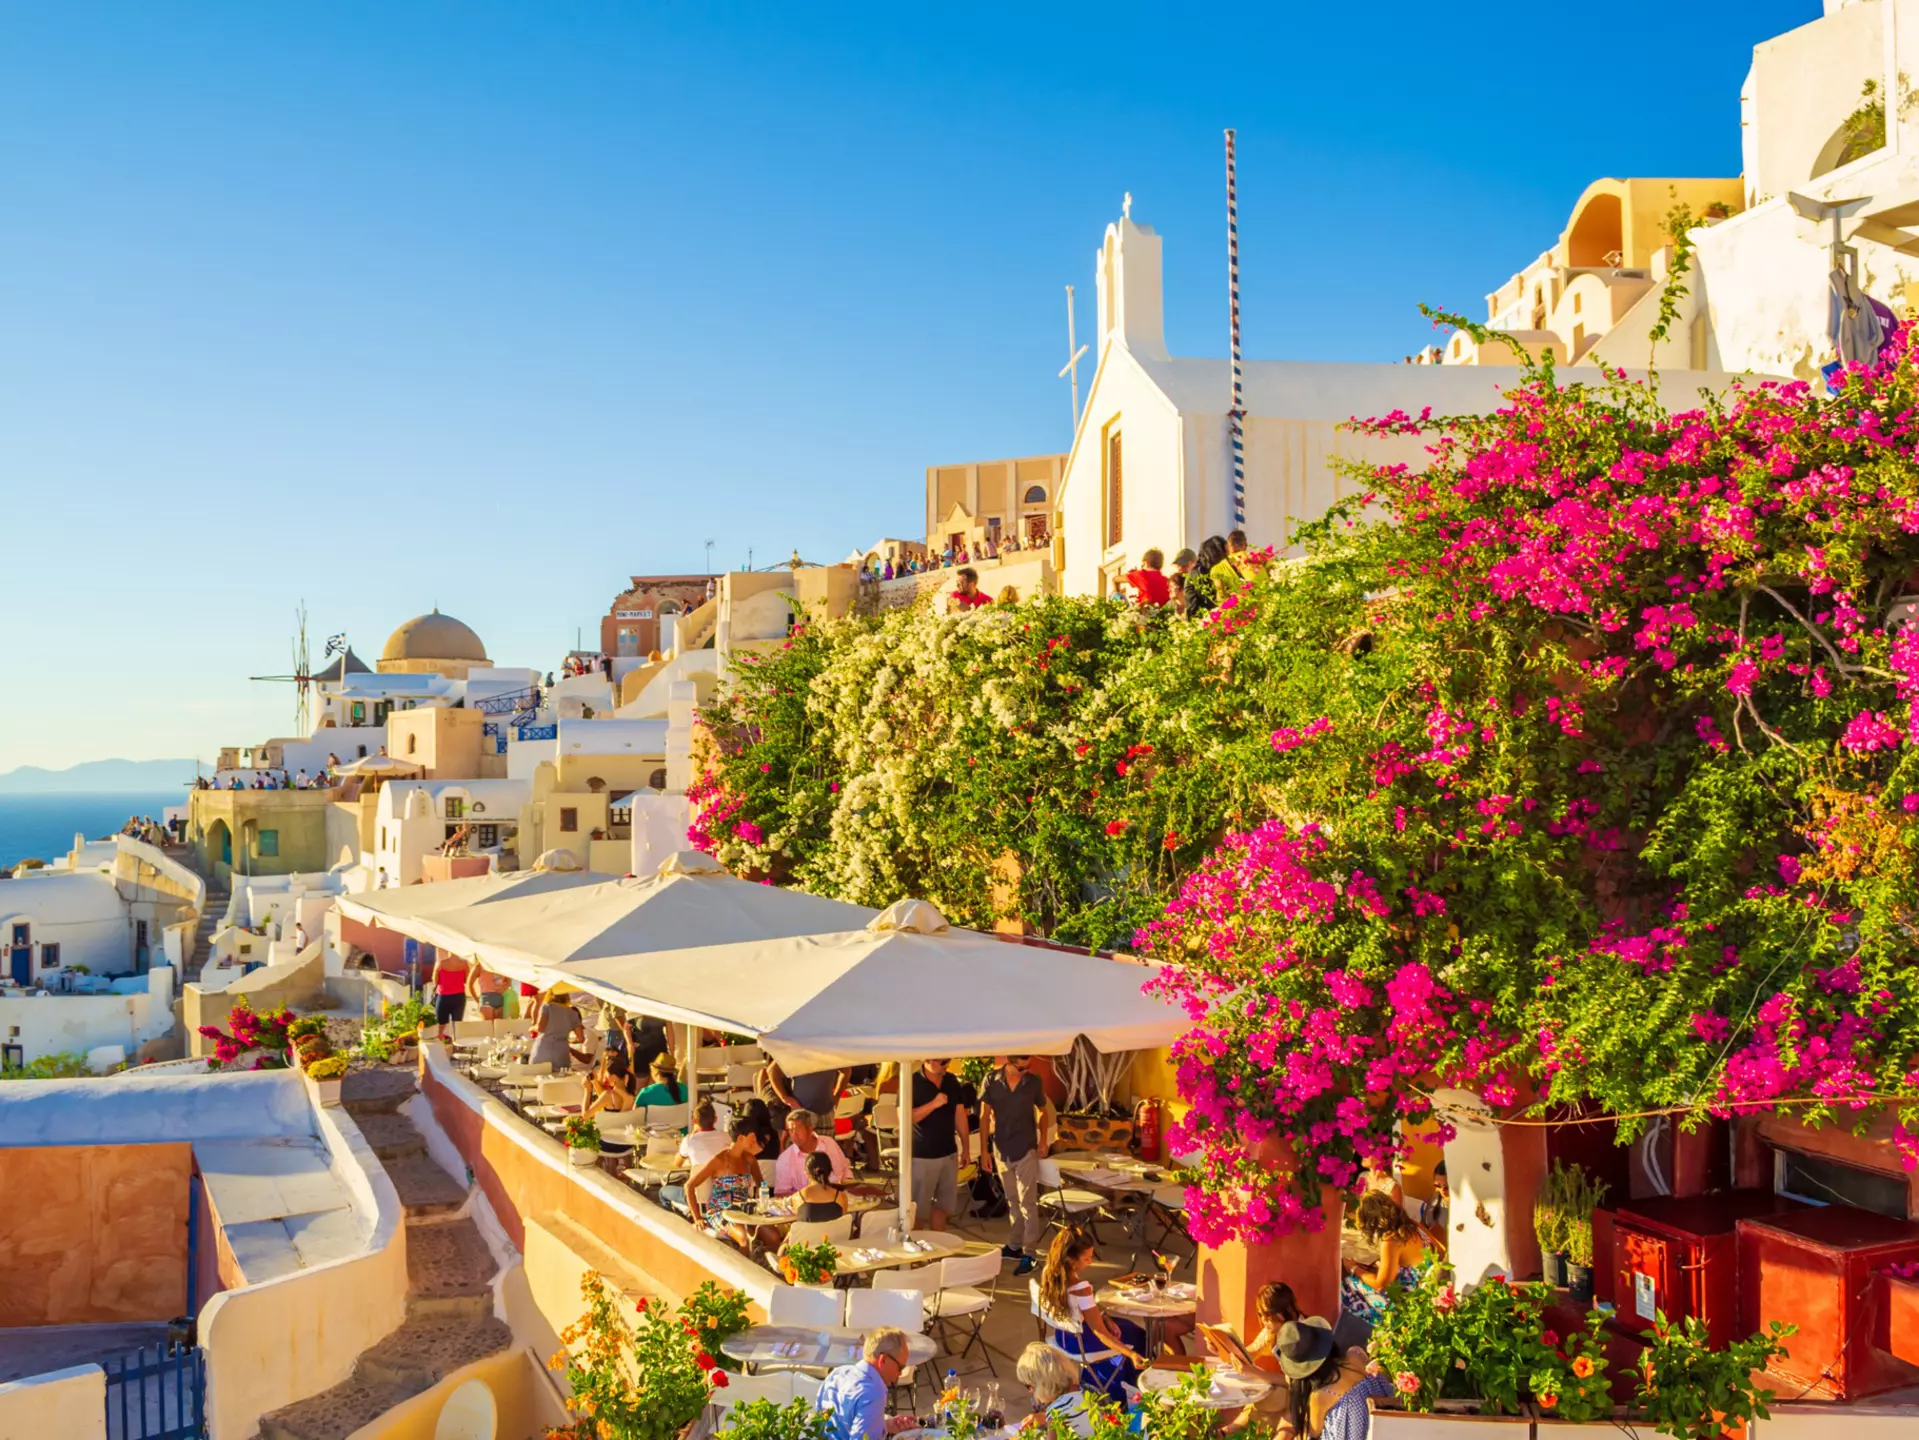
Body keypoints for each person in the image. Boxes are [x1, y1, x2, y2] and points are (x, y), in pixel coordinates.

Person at [1035, 1228, 1147, 1400]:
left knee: (1126, 1325)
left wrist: (1105, 1317)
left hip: (1063, 1335)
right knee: (1139, 1335)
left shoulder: (1050, 1273)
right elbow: (1100, 1332)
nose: (1091, 1262)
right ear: (1072, 1260)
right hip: (1080, 1343)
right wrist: (1131, 1354)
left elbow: (1083, 1310)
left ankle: (1111, 1379)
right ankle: (1131, 1390)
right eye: (1087, 1258)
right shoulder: (1081, 1288)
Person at [980, 1054, 1051, 1274]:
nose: (1025, 1071)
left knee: (1028, 1203)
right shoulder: (991, 1080)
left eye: (1027, 1067)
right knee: (1012, 1200)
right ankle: (1014, 1245)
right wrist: (984, 1151)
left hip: (1026, 1149)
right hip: (1001, 1149)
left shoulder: (1034, 1082)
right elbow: (984, 1116)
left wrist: (1043, 1140)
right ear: (1008, 1064)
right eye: (1020, 1068)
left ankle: (1030, 1253)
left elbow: (1043, 1111)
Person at [814, 1327, 916, 1440]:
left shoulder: (839, 1372)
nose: (900, 1374)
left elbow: (827, 1423)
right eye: (900, 1367)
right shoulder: (873, 1393)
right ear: (883, 1360)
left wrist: (885, 1424)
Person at [1342, 1191, 1430, 1321]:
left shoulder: (1391, 1240)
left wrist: (1354, 1269)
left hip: (1407, 1300)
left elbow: (1381, 1285)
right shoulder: (1413, 1226)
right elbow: (1436, 1248)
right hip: (1426, 1286)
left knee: (1347, 1285)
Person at [1248, 1281, 1370, 1372]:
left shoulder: (1302, 1336)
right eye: (1260, 1314)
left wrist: (1255, 1373)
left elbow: (1291, 1384)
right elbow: (1253, 1349)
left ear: (1282, 1312)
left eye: (1268, 1314)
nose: (1263, 1319)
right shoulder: (1272, 1331)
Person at [910, 1057, 969, 1230]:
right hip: (922, 1156)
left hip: (949, 1153)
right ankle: (916, 1252)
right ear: (928, 1060)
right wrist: (934, 1104)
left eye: (948, 1061)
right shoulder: (912, 1081)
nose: (947, 1065)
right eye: (943, 1062)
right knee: (917, 1210)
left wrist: (965, 1148)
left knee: (943, 1207)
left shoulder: (951, 1080)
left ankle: (939, 1249)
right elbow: (905, 1118)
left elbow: (959, 1114)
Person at [686, 1117, 763, 1238]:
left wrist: (763, 1202)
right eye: (752, 1136)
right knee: (744, 1236)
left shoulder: (749, 1159)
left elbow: (761, 1185)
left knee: (772, 1235)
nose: (755, 1140)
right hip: (720, 1210)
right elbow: (689, 1185)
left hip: (744, 1208)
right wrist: (697, 1218)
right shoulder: (719, 1160)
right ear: (740, 1138)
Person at [1013, 1342, 1096, 1438]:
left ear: (1042, 1384)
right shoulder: (1088, 1391)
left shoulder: (1056, 1411)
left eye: (1029, 1386)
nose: (1030, 1391)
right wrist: (1045, 1417)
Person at [658, 1101, 729, 1213]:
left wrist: (692, 1134)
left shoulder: (689, 1140)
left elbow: (677, 1163)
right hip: (722, 1196)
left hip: (697, 1198)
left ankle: (683, 1217)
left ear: (694, 1121)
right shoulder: (726, 1137)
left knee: (663, 1192)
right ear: (715, 1119)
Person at [775, 1107, 853, 1194]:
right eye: (790, 1130)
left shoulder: (829, 1143)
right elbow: (781, 1193)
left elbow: (845, 1168)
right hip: (805, 1204)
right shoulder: (785, 1158)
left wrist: (847, 1189)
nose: (794, 1135)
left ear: (810, 1129)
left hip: (839, 1200)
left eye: (797, 1129)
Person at [764, 1061, 846, 1119]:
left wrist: (837, 1095)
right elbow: (772, 1070)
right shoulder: (797, 1047)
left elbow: (846, 1070)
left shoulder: (829, 1049)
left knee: (827, 1143)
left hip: (825, 1112)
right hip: (801, 1113)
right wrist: (784, 1097)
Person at [529, 989, 585, 1070]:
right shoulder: (573, 1013)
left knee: (539, 1077)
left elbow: (540, 1028)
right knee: (559, 1080)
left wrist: (532, 1028)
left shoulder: (547, 1007)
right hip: (562, 1051)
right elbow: (581, 1039)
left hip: (543, 1049)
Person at [793, 1149, 850, 1222]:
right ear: (830, 1171)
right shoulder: (841, 1196)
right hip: (833, 1233)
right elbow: (842, 1220)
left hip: (809, 1233)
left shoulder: (799, 1197)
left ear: (807, 1173)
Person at [428, 951, 470, 1040]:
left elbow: (435, 981)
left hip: (444, 997)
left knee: (441, 1025)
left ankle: (441, 1046)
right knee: (457, 1025)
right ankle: (456, 1046)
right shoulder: (464, 964)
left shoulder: (441, 964)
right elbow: (466, 980)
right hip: (459, 997)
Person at [1420, 1161, 1450, 1240]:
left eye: (1446, 1187)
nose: (1442, 1190)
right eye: (1438, 1185)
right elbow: (1422, 1225)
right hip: (1428, 1249)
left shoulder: (1459, 1205)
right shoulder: (1434, 1198)